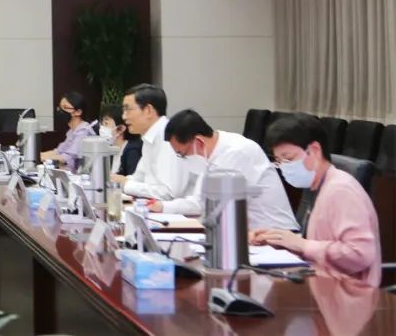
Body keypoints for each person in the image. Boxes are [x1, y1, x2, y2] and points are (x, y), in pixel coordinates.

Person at [250, 113, 380, 286]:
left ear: (315, 150)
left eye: (288, 159)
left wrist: (302, 245)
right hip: (322, 285)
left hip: (348, 293)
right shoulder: (319, 187)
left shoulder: (341, 190)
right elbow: (320, 243)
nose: (283, 168)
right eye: (279, 161)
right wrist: (281, 240)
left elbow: (360, 254)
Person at [146, 109, 298, 230]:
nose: (183, 159)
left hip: (275, 237)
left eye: (183, 154)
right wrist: (161, 206)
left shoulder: (236, 153)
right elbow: (200, 202)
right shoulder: (211, 155)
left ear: (198, 142)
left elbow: (219, 213)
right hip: (249, 237)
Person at [120, 84, 187, 200]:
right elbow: (139, 178)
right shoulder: (149, 138)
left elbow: (168, 193)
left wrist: (126, 184)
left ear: (148, 110)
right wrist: (119, 181)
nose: (124, 117)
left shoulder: (167, 137)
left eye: (128, 110)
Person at [39, 91, 95, 171]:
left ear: (78, 112)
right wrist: (35, 155)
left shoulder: (83, 132)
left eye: (65, 107)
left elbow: (66, 158)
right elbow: (58, 151)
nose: (60, 110)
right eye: (60, 107)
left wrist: (38, 157)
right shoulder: (72, 131)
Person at [102, 105, 141, 179]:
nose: (102, 128)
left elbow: (132, 181)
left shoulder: (133, 151)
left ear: (120, 129)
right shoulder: (111, 150)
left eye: (106, 124)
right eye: (102, 124)